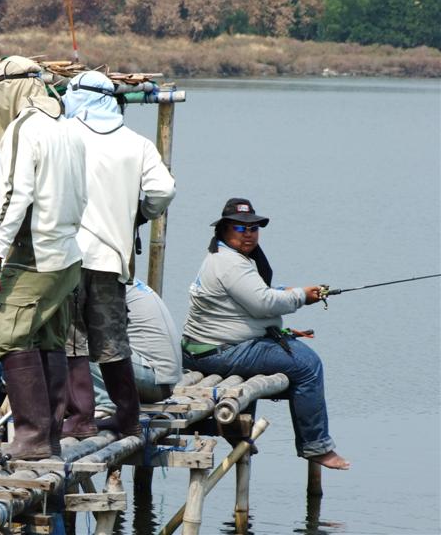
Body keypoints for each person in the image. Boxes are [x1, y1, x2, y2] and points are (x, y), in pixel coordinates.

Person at [181, 197, 350, 470]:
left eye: (253, 228)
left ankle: (237, 431)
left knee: (288, 351)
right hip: (221, 352)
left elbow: (253, 298)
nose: (248, 234)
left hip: (206, 350)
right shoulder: (231, 264)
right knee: (308, 365)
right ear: (224, 230)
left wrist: (289, 295)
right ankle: (315, 446)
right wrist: (301, 297)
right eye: (239, 228)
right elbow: (264, 303)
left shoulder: (223, 257)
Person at [0, 56, 88, 460]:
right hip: (67, 257)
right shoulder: (67, 129)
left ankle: (30, 437)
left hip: (35, 255)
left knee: (5, 335)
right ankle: (49, 436)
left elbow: (14, 197)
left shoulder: (24, 129)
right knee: (46, 338)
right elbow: (82, 196)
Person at [61, 71, 176, 439]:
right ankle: (127, 415)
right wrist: (140, 214)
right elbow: (163, 190)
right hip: (113, 259)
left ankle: (80, 418)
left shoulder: (68, 135)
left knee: (74, 340)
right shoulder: (136, 143)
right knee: (112, 341)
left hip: (73, 253)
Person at [91, 278, 182, 415]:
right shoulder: (123, 279)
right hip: (162, 380)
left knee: (77, 342)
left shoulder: (103, 285)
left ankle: (107, 404)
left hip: (153, 380)